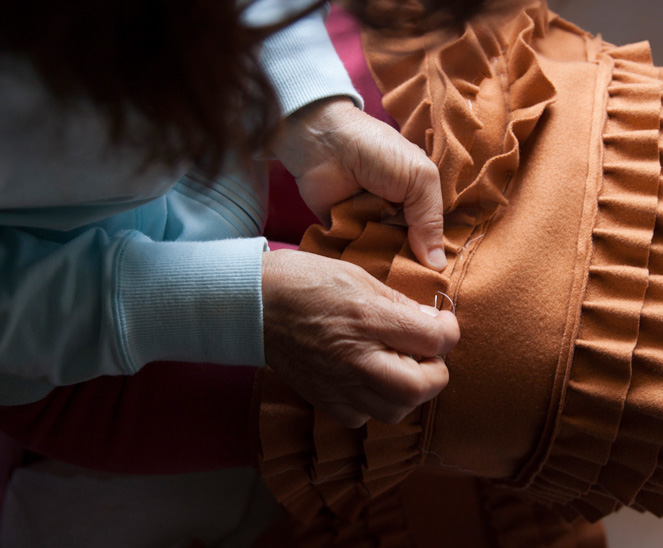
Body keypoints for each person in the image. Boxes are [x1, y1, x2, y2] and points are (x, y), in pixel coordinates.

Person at [0, 0, 486, 472]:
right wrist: (233, 306)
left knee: (463, 103)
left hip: (229, 92)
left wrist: (312, 107)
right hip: (85, 337)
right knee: (482, 375)